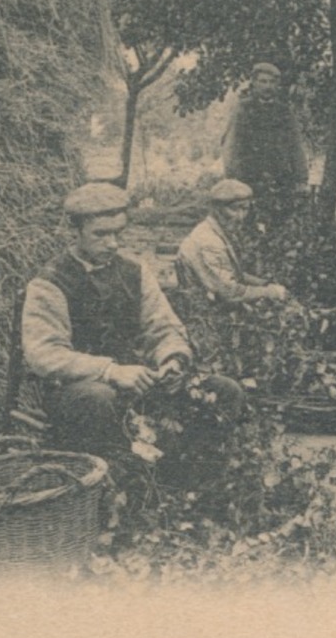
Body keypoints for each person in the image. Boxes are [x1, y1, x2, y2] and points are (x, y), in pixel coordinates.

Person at [21, 182, 245, 463]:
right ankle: (111, 482)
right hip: (75, 391)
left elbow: (163, 326)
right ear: (75, 231)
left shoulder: (134, 271)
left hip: (137, 382)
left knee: (224, 390)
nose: (112, 243)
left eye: (118, 233)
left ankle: (186, 478)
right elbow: (44, 354)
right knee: (99, 398)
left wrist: (172, 360)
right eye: (100, 234)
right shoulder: (50, 282)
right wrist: (110, 371)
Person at [176, 179, 290, 306]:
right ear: (216, 209)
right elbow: (228, 292)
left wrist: (262, 283)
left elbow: (234, 274)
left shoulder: (218, 231)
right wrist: (270, 292)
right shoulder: (209, 241)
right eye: (234, 209)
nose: (240, 216)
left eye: (245, 209)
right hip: (203, 312)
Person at [222, 62, 309, 217]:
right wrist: (233, 179)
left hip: (281, 181)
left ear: (277, 86)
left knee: (280, 225)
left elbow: (296, 147)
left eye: (272, 82)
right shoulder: (243, 109)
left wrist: (301, 179)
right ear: (254, 83)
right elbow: (231, 146)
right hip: (249, 181)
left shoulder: (285, 112)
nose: (267, 86)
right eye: (263, 81)